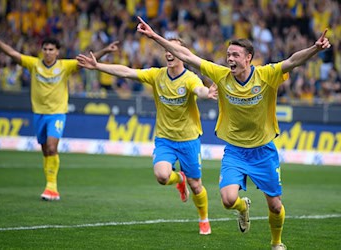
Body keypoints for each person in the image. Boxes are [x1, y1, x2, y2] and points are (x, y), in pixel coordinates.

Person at [136, 17, 330, 250]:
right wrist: (155, 36)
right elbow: (188, 56)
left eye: (235, 55)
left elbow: (292, 62)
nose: (230, 59)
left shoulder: (266, 75)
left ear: (248, 58)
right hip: (235, 152)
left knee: (275, 206)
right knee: (228, 200)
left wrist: (314, 49)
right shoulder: (220, 75)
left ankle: (277, 243)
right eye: (228, 55)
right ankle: (242, 208)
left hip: (263, 151)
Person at [76, 38, 218, 235]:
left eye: (173, 49)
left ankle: (204, 218)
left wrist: (206, 93)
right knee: (161, 176)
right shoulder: (156, 75)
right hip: (165, 139)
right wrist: (98, 66)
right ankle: (179, 178)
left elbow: (199, 89)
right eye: (166, 49)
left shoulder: (190, 78)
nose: (168, 53)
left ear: (183, 55)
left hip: (189, 140)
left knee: (196, 185)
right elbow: (127, 72)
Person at [0, 23, 119, 201]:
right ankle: (49, 186)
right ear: (42, 51)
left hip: (57, 113)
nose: (47, 52)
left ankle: (52, 187)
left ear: (57, 52)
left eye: (51, 49)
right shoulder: (34, 64)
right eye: (45, 49)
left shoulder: (65, 66)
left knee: (52, 146)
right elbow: (11, 53)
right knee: (45, 151)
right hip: (38, 113)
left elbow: (87, 61)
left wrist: (105, 51)